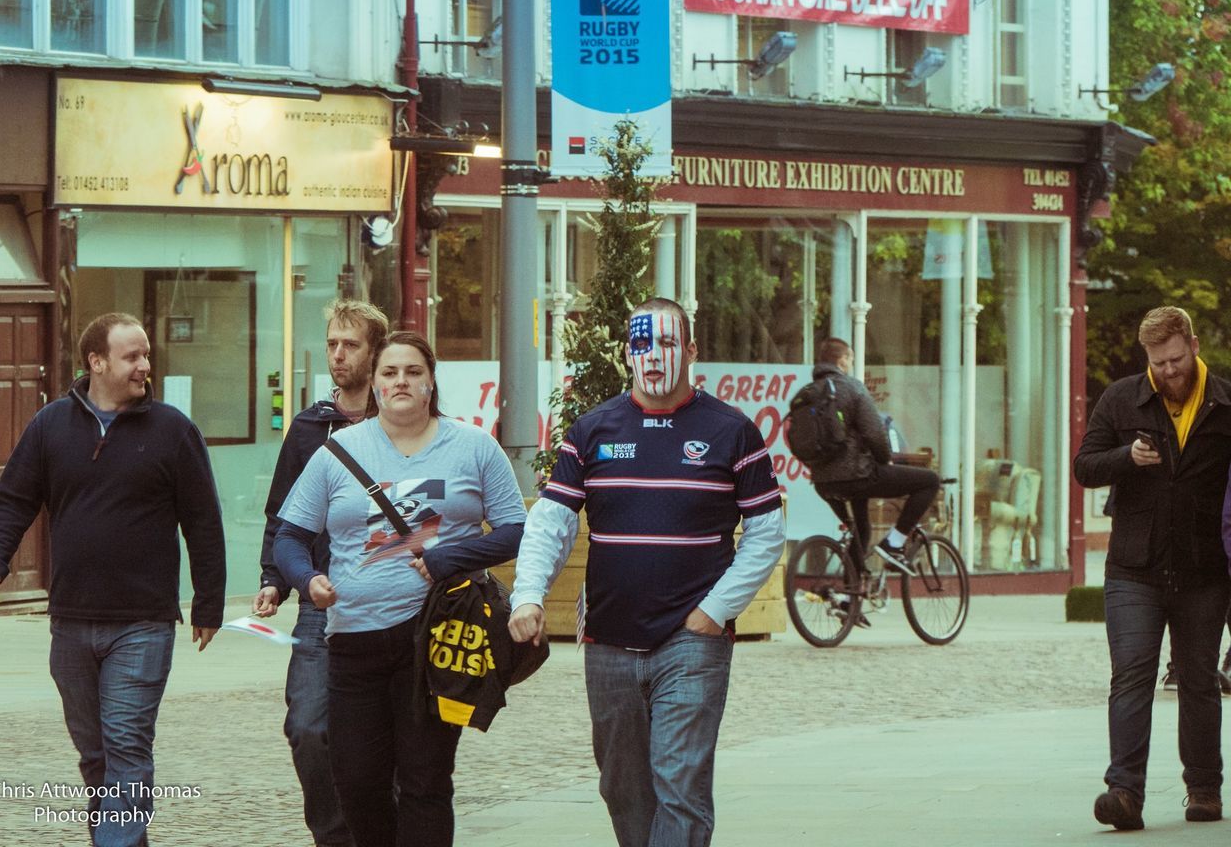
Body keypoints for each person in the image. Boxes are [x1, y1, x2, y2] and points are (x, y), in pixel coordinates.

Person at [508, 297, 785, 847]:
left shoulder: (732, 431)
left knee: (680, 784)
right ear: (626, 354)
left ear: (692, 350)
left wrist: (714, 612)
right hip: (608, 639)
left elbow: (767, 532)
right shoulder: (592, 429)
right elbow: (553, 522)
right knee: (623, 787)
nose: (653, 356)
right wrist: (528, 595)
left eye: (666, 342)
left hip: (691, 642)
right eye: (641, 343)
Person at [0, 312, 226, 847]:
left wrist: (209, 603)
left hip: (144, 621)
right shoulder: (50, 425)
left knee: (127, 744)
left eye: (146, 355)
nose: (145, 366)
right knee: (96, 754)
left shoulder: (174, 431)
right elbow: (14, 500)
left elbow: (203, 521)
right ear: (97, 362)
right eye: (132, 356)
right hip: (69, 621)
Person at [273, 330, 527, 847]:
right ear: (375, 385)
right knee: (357, 781)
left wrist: (449, 558)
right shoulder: (338, 451)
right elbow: (290, 537)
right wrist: (307, 578)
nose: (401, 381)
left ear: (431, 381)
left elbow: (515, 529)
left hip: (434, 640)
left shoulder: (474, 446)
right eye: (390, 373)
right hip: (353, 641)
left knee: (424, 780)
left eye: (413, 371)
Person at [1075, 305, 1231, 830]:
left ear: (1191, 344)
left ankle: (1204, 789)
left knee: (1199, 680)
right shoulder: (1122, 398)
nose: (1167, 372)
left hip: (1205, 570)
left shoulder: (1226, 403)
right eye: (1157, 364)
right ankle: (1124, 793)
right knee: (1132, 675)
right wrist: (1125, 458)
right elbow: (1084, 466)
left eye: (1174, 359)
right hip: (1133, 569)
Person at [252, 298, 388, 847]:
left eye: (350, 344)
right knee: (308, 729)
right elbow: (282, 514)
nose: (337, 354)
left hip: (393, 600)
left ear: (375, 352)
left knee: (386, 736)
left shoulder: (401, 423)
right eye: (332, 343)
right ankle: (335, 836)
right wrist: (273, 578)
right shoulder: (310, 428)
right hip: (320, 601)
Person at [806, 337, 941, 588]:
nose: (850, 364)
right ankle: (895, 543)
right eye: (851, 359)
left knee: (859, 529)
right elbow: (874, 432)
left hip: (823, 483)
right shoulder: (851, 387)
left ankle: (850, 595)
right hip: (858, 475)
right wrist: (885, 461)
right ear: (842, 360)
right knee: (930, 481)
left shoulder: (808, 394)